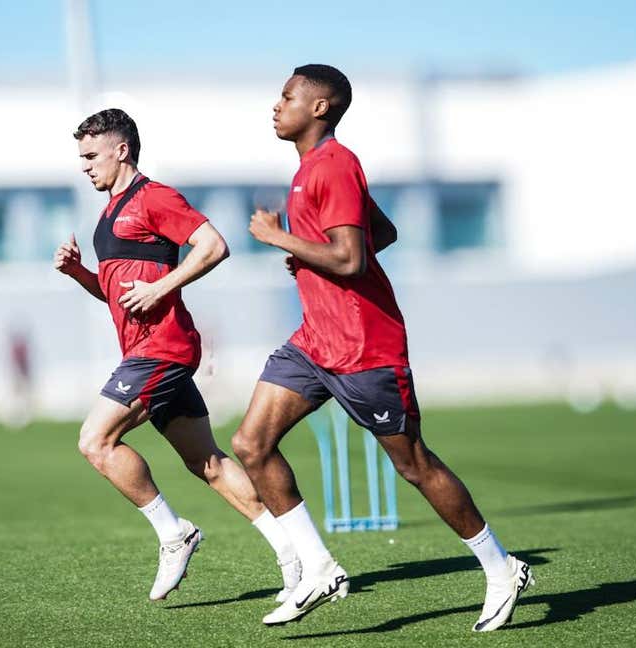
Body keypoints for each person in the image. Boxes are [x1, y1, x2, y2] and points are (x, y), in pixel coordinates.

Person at [231, 65, 534, 630]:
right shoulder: (307, 171)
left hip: (364, 347)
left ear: (320, 108)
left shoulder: (336, 165)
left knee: (413, 464)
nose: (277, 105)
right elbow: (381, 234)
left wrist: (282, 239)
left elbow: (352, 258)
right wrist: (309, 251)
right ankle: (318, 567)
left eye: (288, 96)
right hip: (315, 342)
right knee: (251, 443)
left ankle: (501, 566)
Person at [54, 108, 300, 602]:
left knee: (95, 441)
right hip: (152, 350)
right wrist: (83, 275)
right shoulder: (108, 215)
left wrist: (161, 286)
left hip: (160, 350)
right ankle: (298, 556)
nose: (83, 165)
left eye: (90, 155)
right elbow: (122, 293)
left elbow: (213, 245)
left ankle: (174, 533)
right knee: (207, 462)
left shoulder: (154, 197)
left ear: (121, 150)